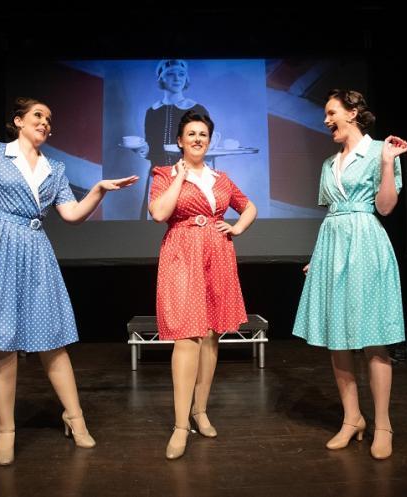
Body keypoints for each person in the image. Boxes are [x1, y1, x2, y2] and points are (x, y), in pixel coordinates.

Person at [0, 97, 138, 466]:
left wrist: (98, 191)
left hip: (35, 251)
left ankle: (75, 418)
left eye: (49, 119)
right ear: (18, 121)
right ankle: (6, 428)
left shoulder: (54, 168)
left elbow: (71, 214)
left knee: (52, 341)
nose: (45, 122)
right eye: (38, 115)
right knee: (1, 342)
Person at [292, 89, 407, 460]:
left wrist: (389, 163)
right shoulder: (329, 164)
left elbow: (386, 207)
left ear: (353, 111)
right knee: (338, 341)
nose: (326, 120)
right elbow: (331, 216)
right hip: (333, 248)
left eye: (331, 112)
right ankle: (352, 418)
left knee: (374, 340)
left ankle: (383, 425)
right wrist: (320, 258)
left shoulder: (380, 151)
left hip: (366, 246)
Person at [149, 111, 257, 460]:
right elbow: (159, 213)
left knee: (211, 334)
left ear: (209, 141)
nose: (197, 138)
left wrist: (237, 228)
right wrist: (180, 178)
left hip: (218, 254)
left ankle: (200, 410)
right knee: (187, 334)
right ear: (179, 141)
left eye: (203, 134)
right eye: (191, 133)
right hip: (181, 252)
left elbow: (248, 207)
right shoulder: (163, 174)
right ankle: (181, 425)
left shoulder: (220, 178)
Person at [131, 59, 211, 218]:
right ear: (161, 78)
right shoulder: (152, 111)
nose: (177, 78)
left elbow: (204, 146)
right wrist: (141, 149)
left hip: (190, 177)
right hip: (159, 177)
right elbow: (151, 150)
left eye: (181, 74)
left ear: (186, 78)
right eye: (171, 74)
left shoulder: (197, 109)